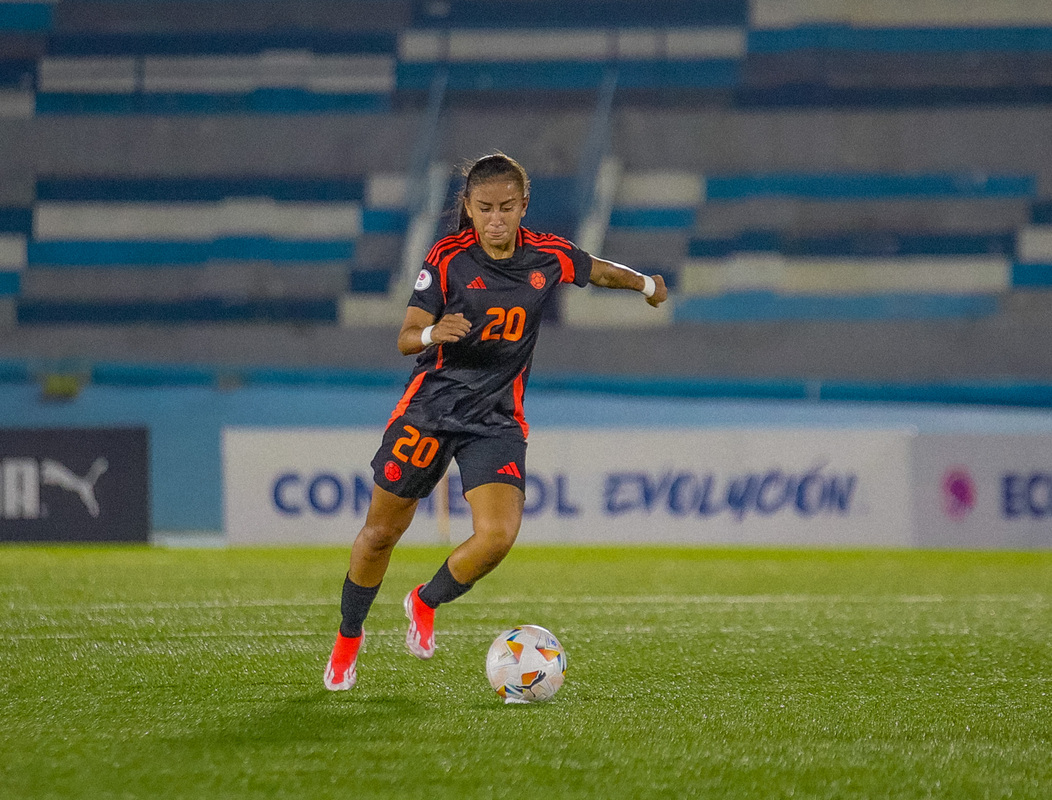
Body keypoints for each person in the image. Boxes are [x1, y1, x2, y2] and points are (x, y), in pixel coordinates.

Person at [324, 152, 668, 691]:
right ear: (468, 207)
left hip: (496, 418)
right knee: (380, 534)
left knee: (498, 535)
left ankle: (424, 599)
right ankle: (348, 638)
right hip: (430, 410)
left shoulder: (547, 255)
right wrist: (436, 334)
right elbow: (406, 336)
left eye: (507, 207)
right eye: (484, 208)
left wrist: (646, 284)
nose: (496, 219)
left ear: (523, 206)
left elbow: (598, 269)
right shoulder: (447, 256)